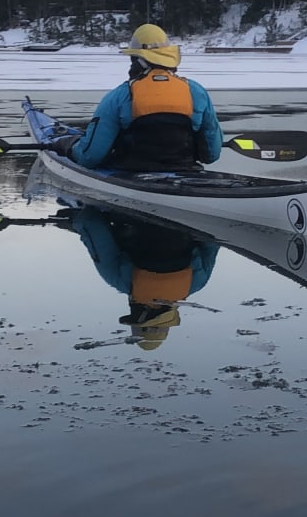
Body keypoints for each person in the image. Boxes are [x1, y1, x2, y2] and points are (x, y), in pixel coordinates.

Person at [53, 23, 224, 172]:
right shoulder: (197, 92)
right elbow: (212, 154)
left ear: (138, 60)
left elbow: (90, 157)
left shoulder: (120, 96)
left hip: (130, 171)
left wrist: (67, 145)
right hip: (185, 169)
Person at [68, 204, 219, 351]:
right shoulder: (120, 280)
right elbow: (92, 222)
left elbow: (212, 237)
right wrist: (78, 220)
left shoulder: (197, 283)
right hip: (134, 208)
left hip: (185, 210)